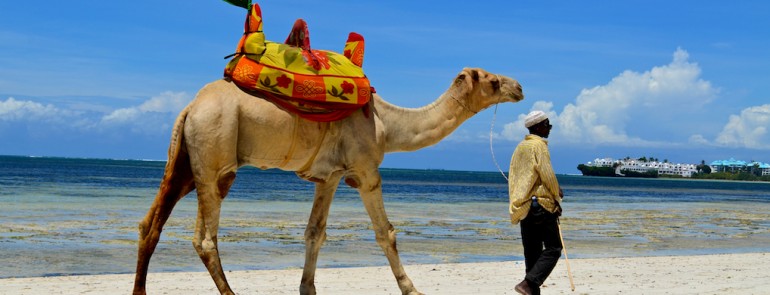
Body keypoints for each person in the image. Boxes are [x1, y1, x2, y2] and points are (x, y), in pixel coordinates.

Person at [508, 110, 564, 295]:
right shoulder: (539, 146)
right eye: (548, 124)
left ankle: (529, 286)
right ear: (539, 126)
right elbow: (547, 175)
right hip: (540, 205)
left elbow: (515, 177)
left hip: (524, 207)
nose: (549, 128)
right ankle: (527, 284)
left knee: (532, 255)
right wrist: (556, 196)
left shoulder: (520, 147)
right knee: (554, 248)